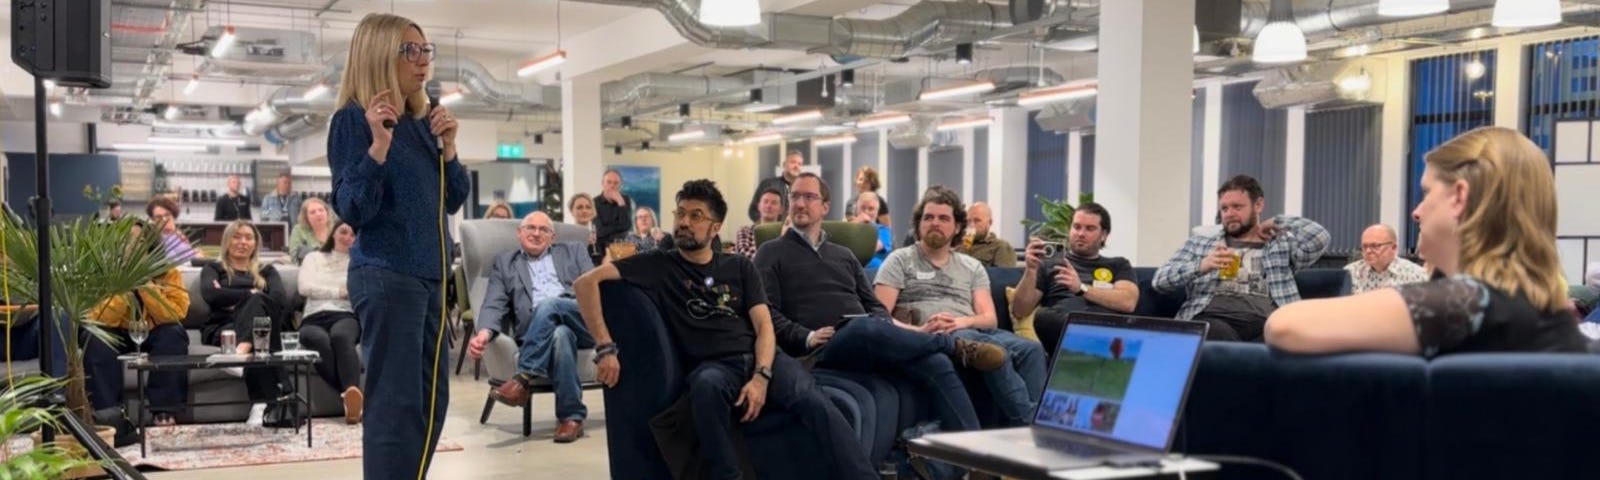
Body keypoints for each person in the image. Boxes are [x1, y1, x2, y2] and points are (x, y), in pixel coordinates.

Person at [575, 179, 877, 480]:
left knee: (814, 402)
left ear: (716, 228)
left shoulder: (739, 267)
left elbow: (764, 326)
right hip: (714, 366)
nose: (684, 222)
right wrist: (604, 347)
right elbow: (585, 283)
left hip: (763, 358)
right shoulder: (658, 264)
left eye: (696, 216)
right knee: (704, 387)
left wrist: (761, 376)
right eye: (681, 213)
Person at [1266, 127, 1589, 356]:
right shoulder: (1544, 308)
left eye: (1427, 192)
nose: (1416, 212)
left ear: (1459, 196)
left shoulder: (1467, 303)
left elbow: (1285, 326)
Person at [327, 12, 469, 479]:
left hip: (429, 274)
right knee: (394, 404)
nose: (422, 60)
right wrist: (378, 147)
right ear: (379, 55)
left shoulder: (421, 120)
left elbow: (453, 199)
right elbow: (352, 208)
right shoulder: (353, 120)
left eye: (426, 50)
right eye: (411, 50)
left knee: (431, 401)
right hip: (388, 274)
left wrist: (449, 149)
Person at [758, 173, 1002, 443]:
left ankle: (977, 455)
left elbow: (875, 306)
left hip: (868, 338)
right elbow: (766, 314)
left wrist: (885, 327)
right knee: (861, 325)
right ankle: (951, 345)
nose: (800, 203)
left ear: (825, 207)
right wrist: (806, 335)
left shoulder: (844, 255)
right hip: (821, 347)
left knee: (935, 362)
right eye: (795, 197)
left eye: (809, 197)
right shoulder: (770, 252)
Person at [875, 186, 1048, 427]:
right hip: (930, 335)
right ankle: (1036, 428)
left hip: (970, 330)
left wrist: (961, 322)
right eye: (928, 217)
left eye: (943, 218)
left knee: (1032, 350)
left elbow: (989, 319)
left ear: (957, 227)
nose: (935, 223)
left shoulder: (971, 266)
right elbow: (879, 317)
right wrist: (921, 331)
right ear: (919, 223)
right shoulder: (899, 260)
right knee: (991, 350)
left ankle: (1031, 428)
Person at [466, 212, 595, 443]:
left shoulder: (574, 250)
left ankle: (523, 377)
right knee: (559, 335)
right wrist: (483, 335)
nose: (536, 233)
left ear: (552, 236)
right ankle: (571, 419)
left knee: (550, 304)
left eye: (543, 229)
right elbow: (493, 304)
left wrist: (559, 302)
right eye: (530, 228)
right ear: (519, 233)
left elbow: (591, 288)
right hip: (540, 332)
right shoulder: (505, 263)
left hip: (581, 319)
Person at [1153, 175, 1330, 341]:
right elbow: (1160, 281)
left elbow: (1320, 238)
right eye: (1224, 208)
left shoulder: (1280, 245)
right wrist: (1201, 265)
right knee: (1214, 332)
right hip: (1213, 319)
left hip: (1268, 323)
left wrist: (1277, 221)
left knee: (1287, 339)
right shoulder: (1200, 243)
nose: (1229, 213)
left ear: (1258, 205)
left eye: (1237, 207)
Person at [85, 219, 190, 428]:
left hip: (152, 331)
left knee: (174, 334)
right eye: (126, 239)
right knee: (94, 338)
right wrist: (124, 286)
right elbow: (99, 316)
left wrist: (145, 285)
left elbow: (176, 312)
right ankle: (108, 415)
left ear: (150, 245)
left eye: (139, 240)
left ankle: (164, 412)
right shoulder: (101, 271)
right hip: (115, 332)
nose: (131, 245)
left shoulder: (167, 272)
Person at [1010, 202, 1139, 353]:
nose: (1081, 233)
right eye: (1076, 227)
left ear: (1104, 235)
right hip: (1062, 326)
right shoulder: (1049, 264)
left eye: (1089, 228)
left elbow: (1128, 302)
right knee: (1044, 317)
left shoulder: (1118, 264)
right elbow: (1019, 310)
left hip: (1102, 324)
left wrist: (1081, 288)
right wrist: (1031, 270)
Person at [200, 221, 291, 427]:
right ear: (227, 240)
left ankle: (239, 353)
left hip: (258, 329)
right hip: (224, 327)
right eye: (237, 236)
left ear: (256, 243)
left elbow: (278, 301)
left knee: (259, 316)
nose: (243, 242)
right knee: (261, 330)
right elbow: (211, 295)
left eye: (248, 237)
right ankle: (262, 405)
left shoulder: (266, 271)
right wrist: (249, 294)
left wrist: (232, 298)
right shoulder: (213, 268)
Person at [298, 220, 364, 424]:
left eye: (353, 235)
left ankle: (352, 400)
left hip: (345, 315)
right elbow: (304, 287)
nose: (347, 238)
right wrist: (338, 291)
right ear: (333, 234)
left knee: (341, 337)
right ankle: (352, 396)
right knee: (316, 339)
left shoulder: (359, 262)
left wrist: (325, 289)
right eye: (343, 232)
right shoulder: (313, 257)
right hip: (313, 317)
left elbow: (355, 292)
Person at [1345, 224, 1429, 294]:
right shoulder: (1351, 272)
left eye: (1375, 246)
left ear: (1393, 247)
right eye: (1364, 247)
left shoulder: (1415, 274)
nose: (1368, 251)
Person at [748, 150, 804, 223]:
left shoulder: (803, 189)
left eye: (799, 164)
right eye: (793, 162)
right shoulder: (767, 184)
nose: (796, 166)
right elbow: (753, 210)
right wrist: (766, 226)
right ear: (784, 165)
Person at [955, 202, 1016, 268]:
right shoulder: (960, 246)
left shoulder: (1001, 246)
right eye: (969, 221)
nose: (972, 225)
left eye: (977, 220)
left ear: (990, 222)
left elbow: (1004, 276)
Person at [733, 187, 784, 258]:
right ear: (759, 206)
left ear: (781, 210)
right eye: (765, 202)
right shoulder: (745, 231)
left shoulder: (785, 232)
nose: (769, 206)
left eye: (774, 203)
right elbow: (744, 256)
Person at [147, 197, 202, 262]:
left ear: (173, 215)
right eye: (159, 217)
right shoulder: (155, 240)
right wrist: (196, 255)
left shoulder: (177, 235)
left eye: (167, 215)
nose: (164, 219)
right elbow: (172, 261)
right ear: (153, 220)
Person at [594, 169, 635, 254]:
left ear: (620, 185)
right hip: (601, 248)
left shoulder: (625, 200)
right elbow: (599, 231)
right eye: (609, 182)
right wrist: (620, 227)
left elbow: (627, 225)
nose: (612, 186)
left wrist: (620, 202)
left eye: (616, 183)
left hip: (622, 247)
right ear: (602, 183)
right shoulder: (594, 202)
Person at [286, 197, 338, 263]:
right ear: (306, 218)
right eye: (313, 212)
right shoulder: (299, 230)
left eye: (321, 210)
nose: (318, 214)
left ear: (327, 213)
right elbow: (295, 257)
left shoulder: (337, 229)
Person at [851, 191, 891, 269]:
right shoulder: (849, 227)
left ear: (877, 212)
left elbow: (871, 248)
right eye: (862, 208)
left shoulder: (883, 230)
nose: (866, 212)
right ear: (856, 210)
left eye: (871, 209)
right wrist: (855, 223)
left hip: (873, 271)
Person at [568, 193, 604, 266]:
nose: (584, 211)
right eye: (579, 207)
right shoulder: (567, 237)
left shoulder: (600, 236)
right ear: (571, 211)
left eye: (588, 207)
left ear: (592, 211)